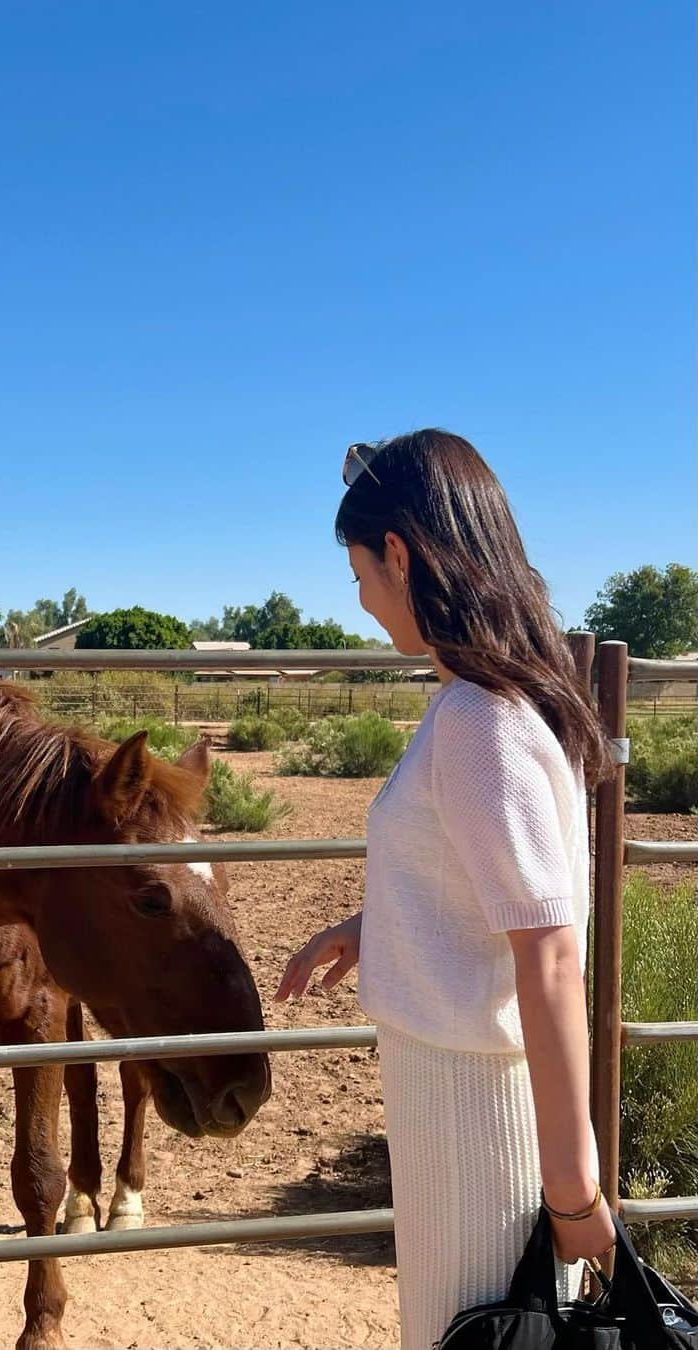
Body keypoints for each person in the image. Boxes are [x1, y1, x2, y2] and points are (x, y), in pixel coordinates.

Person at [275, 430, 616, 1350]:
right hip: (459, 1100)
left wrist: (574, 1192)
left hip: (474, 1116)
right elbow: (491, 894)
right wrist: (370, 922)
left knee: (461, 1332)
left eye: (358, 573)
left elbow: (548, 956)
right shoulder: (490, 704)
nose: (361, 602)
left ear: (399, 553)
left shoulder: (475, 719)